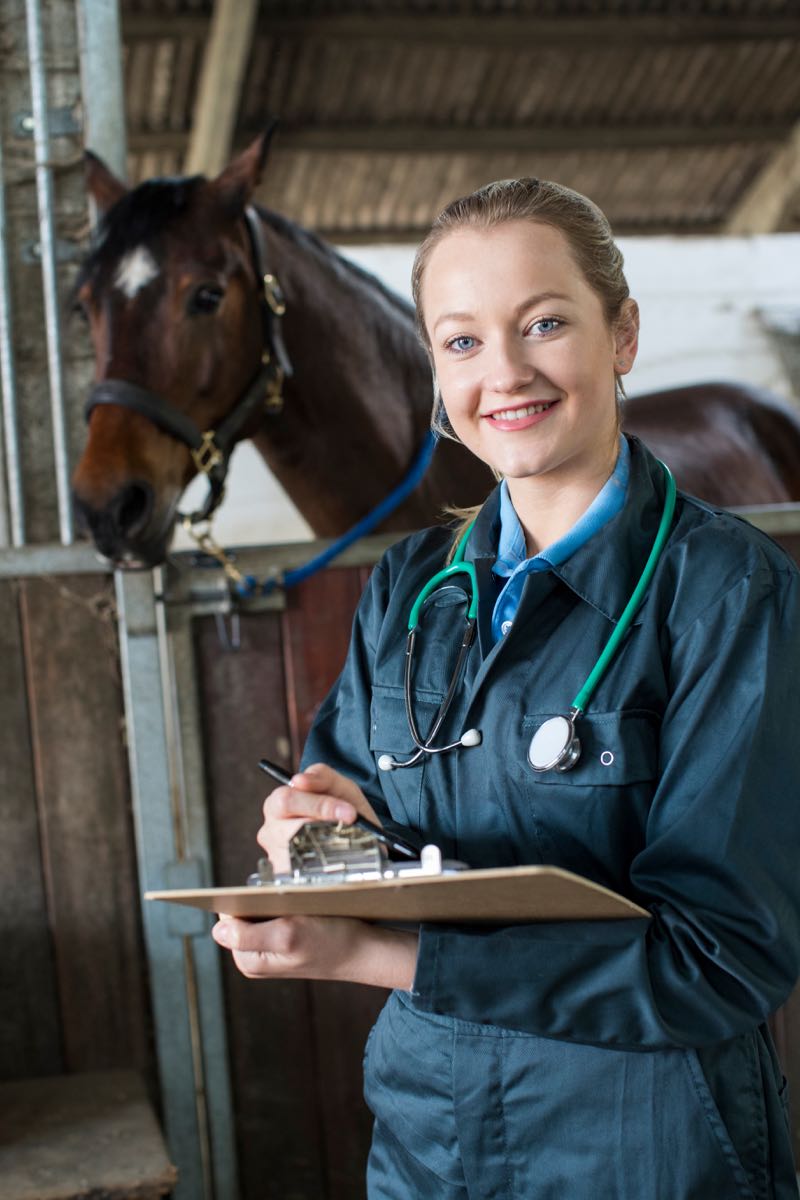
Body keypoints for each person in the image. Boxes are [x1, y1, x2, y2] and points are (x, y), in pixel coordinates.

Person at [212, 178, 800, 1199]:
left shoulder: (723, 593)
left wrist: (374, 957)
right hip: (426, 1136)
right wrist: (307, 840)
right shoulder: (408, 591)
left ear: (619, 334)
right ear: (434, 370)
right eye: (462, 341)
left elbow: (717, 960)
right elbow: (346, 819)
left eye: (543, 324)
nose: (506, 373)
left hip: (645, 1144)